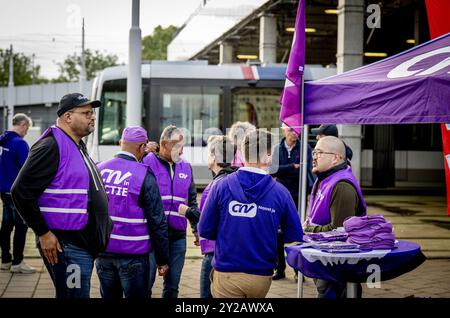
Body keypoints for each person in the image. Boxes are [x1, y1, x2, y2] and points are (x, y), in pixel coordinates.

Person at [11, 93, 113, 298]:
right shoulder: (50, 146)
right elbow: (21, 191)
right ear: (68, 117)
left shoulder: (75, 144)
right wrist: (43, 233)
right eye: (86, 113)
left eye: (92, 113)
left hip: (80, 244)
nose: (92, 117)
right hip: (67, 247)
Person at [198, 129, 303, 298]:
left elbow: (205, 229)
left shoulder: (220, 186)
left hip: (227, 271)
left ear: (241, 153)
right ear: (268, 157)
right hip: (260, 275)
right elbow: (294, 235)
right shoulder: (281, 193)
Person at [95, 126, 169, 299]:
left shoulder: (99, 169)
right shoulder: (143, 174)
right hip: (133, 254)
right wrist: (162, 258)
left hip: (103, 252)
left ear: (121, 143)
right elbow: (157, 220)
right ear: (142, 147)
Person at [305, 135, 366, 298]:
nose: (314, 157)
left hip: (337, 271)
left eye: (319, 152)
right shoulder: (324, 180)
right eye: (313, 153)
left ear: (336, 158)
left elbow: (339, 232)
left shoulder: (342, 186)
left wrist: (308, 229)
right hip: (326, 263)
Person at [143, 125, 200, 299]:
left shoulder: (186, 167)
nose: (181, 151)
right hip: (150, 236)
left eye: (182, 146)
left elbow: (191, 201)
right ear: (163, 144)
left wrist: (195, 228)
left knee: (172, 287)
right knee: (144, 286)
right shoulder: (146, 163)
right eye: (177, 146)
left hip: (177, 237)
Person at [269, 123, 314, 280]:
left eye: (296, 130)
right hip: (279, 195)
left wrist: (288, 169)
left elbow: (305, 169)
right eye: (290, 130)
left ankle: (298, 270)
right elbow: (273, 169)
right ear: (283, 130)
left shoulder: (305, 148)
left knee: (297, 230)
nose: (293, 133)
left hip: (298, 194)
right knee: (277, 232)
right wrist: (292, 167)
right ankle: (279, 268)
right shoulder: (276, 149)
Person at [198, 135, 235, 298]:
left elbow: (204, 222)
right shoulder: (234, 181)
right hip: (230, 250)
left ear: (213, 157)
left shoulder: (213, 187)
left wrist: (187, 212)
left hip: (213, 252)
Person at [0, 113, 36, 273]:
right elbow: (27, 170)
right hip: (16, 192)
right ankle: (18, 262)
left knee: (6, 225)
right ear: (22, 125)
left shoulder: (3, 140)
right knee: (21, 226)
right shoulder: (20, 144)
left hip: (3, 190)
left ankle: (5, 260)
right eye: (27, 128)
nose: (26, 131)